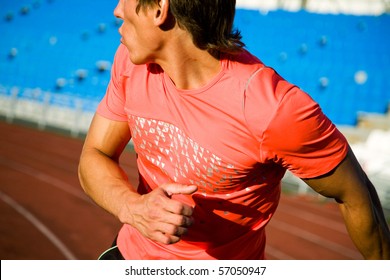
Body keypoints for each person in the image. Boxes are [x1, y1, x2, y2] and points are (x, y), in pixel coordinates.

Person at [78, 0, 390, 260]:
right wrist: (133, 208)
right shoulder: (131, 62)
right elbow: (95, 154)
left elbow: (356, 194)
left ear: (160, 8)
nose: (117, 9)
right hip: (133, 257)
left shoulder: (273, 108)